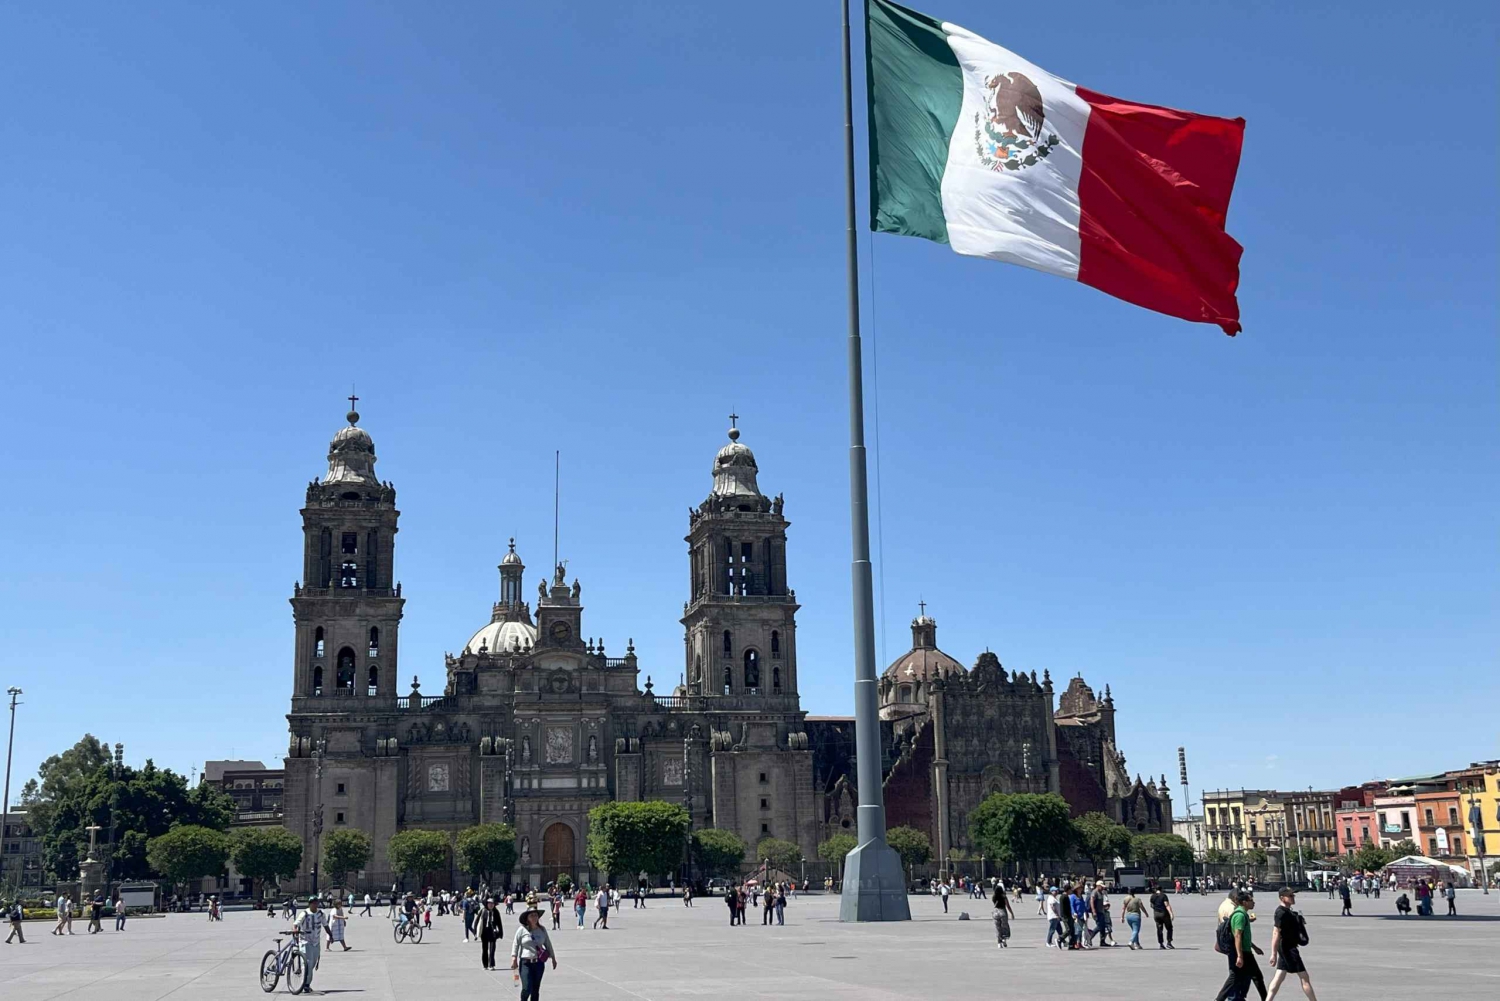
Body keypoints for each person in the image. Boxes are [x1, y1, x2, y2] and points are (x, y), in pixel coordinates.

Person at [1266, 888, 1317, 1001]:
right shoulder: (1281, 912)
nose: (1293, 898)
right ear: (1282, 898)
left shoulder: (1289, 912)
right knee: (1304, 977)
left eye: (1293, 896)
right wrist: (1273, 954)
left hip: (1288, 947)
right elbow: (1276, 932)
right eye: (1290, 896)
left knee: (1279, 977)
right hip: (1288, 948)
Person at [1218, 890, 1265, 1001]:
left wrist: (1254, 947)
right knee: (1253, 976)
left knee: (1239, 977)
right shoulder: (1239, 915)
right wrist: (1240, 955)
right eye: (1251, 900)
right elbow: (1237, 936)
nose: (1253, 903)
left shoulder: (1242, 914)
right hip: (1243, 952)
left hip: (1245, 950)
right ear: (1244, 902)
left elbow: (1242, 936)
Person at [511, 906, 558, 1001]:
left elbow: (548, 943)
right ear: (527, 918)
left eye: (536, 915)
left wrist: (553, 957)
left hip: (539, 963)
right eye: (531, 915)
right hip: (525, 963)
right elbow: (515, 943)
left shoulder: (542, 930)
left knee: (535, 990)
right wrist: (514, 958)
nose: (534, 917)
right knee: (526, 988)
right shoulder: (522, 929)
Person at [294, 896, 327, 995]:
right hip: (305, 941)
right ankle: (306, 985)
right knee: (308, 963)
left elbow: (325, 925)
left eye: (316, 902)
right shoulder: (304, 913)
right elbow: (296, 924)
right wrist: (295, 930)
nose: (315, 904)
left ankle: (306, 982)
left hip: (316, 942)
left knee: (313, 963)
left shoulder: (321, 914)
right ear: (309, 904)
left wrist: (330, 934)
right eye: (313, 903)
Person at [478, 897, 504, 970]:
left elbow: (499, 923)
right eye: (489, 903)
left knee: (492, 949)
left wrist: (501, 932)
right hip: (484, 932)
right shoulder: (483, 911)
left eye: (492, 904)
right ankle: (485, 965)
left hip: (493, 932)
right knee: (484, 949)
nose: (491, 905)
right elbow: (477, 920)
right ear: (487, 904)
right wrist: (475, 932)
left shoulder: (496, 912)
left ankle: (491, 964)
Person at [1149, 884, 1175, 949]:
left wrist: (1156, 908)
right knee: (1169, 928)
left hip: (1156, 914)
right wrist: (1171, 913)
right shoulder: (1163, 896)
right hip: (1164, 913)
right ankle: (1169, 942)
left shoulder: (1152, 896)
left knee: (1159, 929)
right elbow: (1167, 905)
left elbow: (1151, 905)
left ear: (1155, 889)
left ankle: (1161, 944)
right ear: (1161, 889)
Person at [1090, 881, 1113, 946]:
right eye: (1101, 886)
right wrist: (1094, 911)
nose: (1103, 888)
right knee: (1099, 926)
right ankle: (1089, 938)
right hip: (1097, 912)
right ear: (1098, 886)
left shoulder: (1101, 892)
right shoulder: (1095, 892)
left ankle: (1102, 941)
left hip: (1101, 911)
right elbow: (1092, 902)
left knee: (1102, 927)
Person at [991, 883, 1014, 948]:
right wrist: (1011, 913)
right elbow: (1008, 906)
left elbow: (994, 903)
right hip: (1002, 912)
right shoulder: (1004, 897)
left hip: (995, 912)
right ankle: (1004, 939)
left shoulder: (994, 897)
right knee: (1005, 927)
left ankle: (999, 943)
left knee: (998, 928)